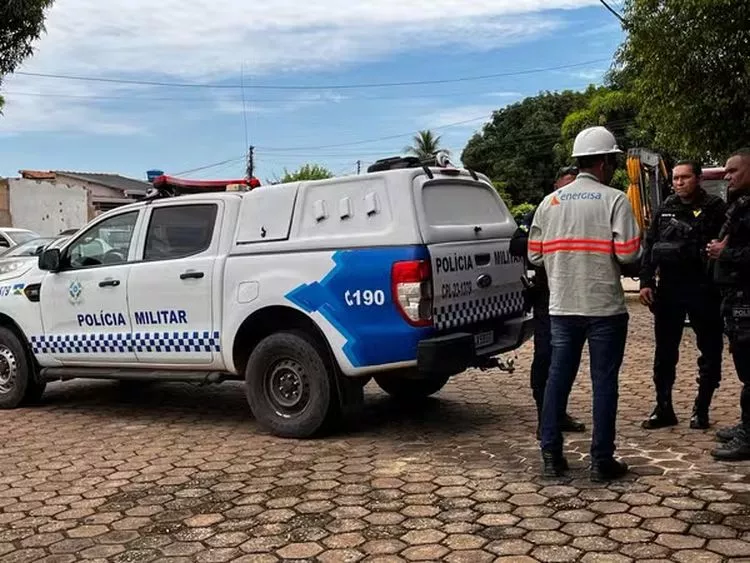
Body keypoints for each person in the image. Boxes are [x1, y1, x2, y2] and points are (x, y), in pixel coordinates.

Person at [528, 126, 642, 481]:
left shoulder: (551, 202)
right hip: (604, 308)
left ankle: (551, 456)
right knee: (604, 383)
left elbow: (534, 256)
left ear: (578, 161)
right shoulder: (614, 199)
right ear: (606, 162)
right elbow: (629, 254)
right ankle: (600, 461)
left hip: (562, 307)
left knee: (557, 380)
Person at [639, 161, 726, 430]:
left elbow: (727, 243)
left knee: (710, 350)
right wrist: (645, 281)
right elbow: (650, 244)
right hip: (670, 290)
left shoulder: (715, 208)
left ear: (697, 178)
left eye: (685, 178)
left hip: (704, 289)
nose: (679, 183)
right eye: (675, 178)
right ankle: (664, 407)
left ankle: (701, 408)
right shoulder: (665, 208)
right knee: (665, 352)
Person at [510, 166, 586, 440]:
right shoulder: (542, 210)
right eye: (566, 184)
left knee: (567, 360)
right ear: (556, 185)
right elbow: (516, 244)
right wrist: (545, 242)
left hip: (576, 296)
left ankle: (559, 412)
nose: (570, 191)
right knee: (545, 358)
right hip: (546, 298)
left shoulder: (585, 215)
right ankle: (545, 418)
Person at [707, 148, 750, 461]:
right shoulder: (740, 207)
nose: (727, 176)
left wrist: (726, 253)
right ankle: (748, 424)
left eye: (733, 171)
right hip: (736, 299)